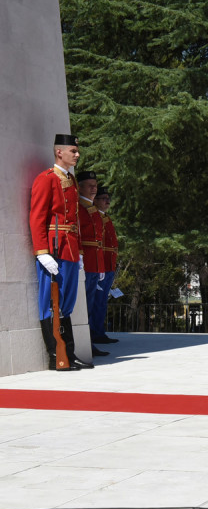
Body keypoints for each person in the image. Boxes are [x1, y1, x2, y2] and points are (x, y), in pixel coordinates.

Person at [29, 133, 91, 370]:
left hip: (71, 248)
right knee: (50, 302)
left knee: (67, 302)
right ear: (59, 152)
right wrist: (42, 252)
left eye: (77, 151)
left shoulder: (71, 181)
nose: (77, 154)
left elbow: (74, 219)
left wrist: (81, 252)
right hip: (53, 248)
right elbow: (37, 216)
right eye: (73, 151)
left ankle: (70, 353)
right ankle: (56, 356)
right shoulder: (46, 179)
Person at [77, 171, 109, 359]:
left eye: (95, 184)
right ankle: (85, 342)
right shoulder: (79, 208)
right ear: (79, 186)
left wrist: (101, 267)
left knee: (90, 304)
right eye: (89, 185)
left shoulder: (92, 210)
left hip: (95, 263)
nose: (94, 188)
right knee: (85, 306)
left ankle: (89, 342)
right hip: (85, 262)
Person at [92, 187, 118, 344]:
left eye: (108, 198)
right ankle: (95, 332)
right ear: (95, 200)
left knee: (101, 302)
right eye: (103, 198)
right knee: (97, 302)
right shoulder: (97, 217)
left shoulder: (105, 217)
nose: (107, 201)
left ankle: (99, 332)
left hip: (109, 264)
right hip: (100, 265)